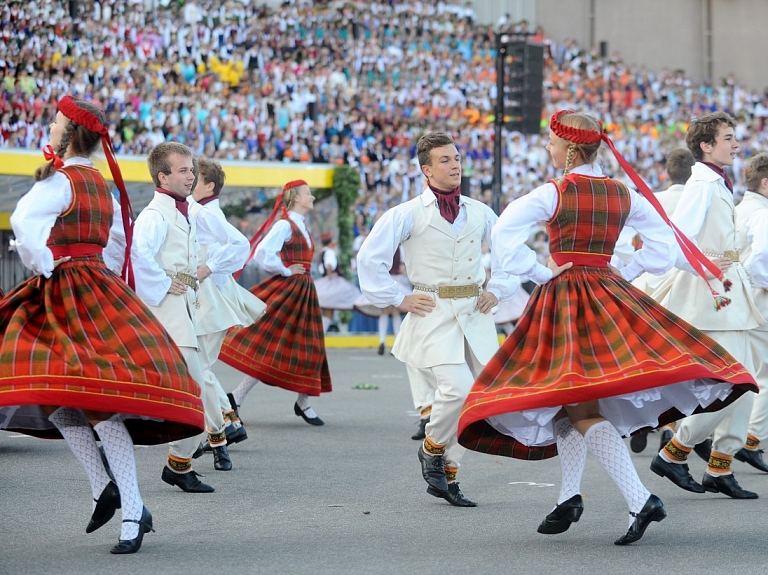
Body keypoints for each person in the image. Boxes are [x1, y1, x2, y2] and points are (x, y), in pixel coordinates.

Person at [456, 110, 757, 545]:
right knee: (568, 401)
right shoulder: (623, 193)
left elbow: (505, 232)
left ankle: (640, 498)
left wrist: (540, 271)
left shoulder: (554, 192)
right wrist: (625, 270)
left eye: (553, 142)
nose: (548, 148)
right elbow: (663, 245)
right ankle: (568, 497)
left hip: (564, 299)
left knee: (580, 405)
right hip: (609, 296)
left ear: (571, 149)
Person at [0, 96, 205, 554]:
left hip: (67, 287)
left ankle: (130, 505)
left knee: (93, 402)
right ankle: (106, 490)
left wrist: (48, 264)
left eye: (55, 122)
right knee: (63, 396)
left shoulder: (61, 180)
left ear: (69, 132)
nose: (50, 127)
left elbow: (24, 221)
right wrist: (102, 277)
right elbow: (117, 242)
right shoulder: (101, 185)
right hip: (96, 285)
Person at [357, 131, 519, 507]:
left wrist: (499, 289)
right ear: (426, 170)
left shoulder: (480, 211)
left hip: (475, 314)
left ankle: (449, 472)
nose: (455, 165)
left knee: (476, 399)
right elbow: (369, 259)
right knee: (458, 389)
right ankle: (431, 449)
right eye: (445, 160)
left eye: (457, 158)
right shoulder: (406, 213)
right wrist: (398, 297)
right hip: (432, 313)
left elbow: (510, 254)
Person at [649, 111, 764, 499]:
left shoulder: (715, 180)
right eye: (728, 138)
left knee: (746, 383)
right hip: (712, 293)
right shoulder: (701, 182)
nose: (736, 144)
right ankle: (675, 451)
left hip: (728, 288)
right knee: (733, 384)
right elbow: (676, 236)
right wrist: (703, 266)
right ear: (706, 145)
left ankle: (720, 464)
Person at [131, 141, 219, 491]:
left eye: (191, 168)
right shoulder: (154, 215)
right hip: (166, 315)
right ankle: (177, 465)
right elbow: (140, 258)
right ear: (162, 176)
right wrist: (167, 283)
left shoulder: (184, 210)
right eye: (183, 170)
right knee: (193, 390)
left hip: (182, 313)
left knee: (190, 391)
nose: (191, 174)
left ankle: (179, 463)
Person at [220, 180, 331, 426]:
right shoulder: (285, 224)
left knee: (310, 346)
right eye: (308, 193)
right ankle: (237, 397)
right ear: (295, 198)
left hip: (302, 290)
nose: (312, 197)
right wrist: (287, 270)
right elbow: (262, 253)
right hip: (291, 289)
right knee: (271, 346)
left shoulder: (300, 224)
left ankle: (302, 401)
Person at [627, 146, 695, 454]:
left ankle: (652, 419)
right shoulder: (697, 198)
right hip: (686, 285)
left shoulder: (650, 200)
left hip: (649, 284)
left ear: (666, 172)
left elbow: (632, 242)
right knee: (686, 358)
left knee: (653, 357)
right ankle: (677, 424)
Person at [185, 157, 253, 464]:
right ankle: (224, 426)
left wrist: (207, 268)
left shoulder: (205, 212)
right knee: (200, 369)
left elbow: (240, 245)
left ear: (209, 186)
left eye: (195, 179)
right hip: (205, 296)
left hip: (211, 299)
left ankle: (222, 429)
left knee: (199, 368)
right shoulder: (196, 208)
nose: (190, 183)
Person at [733, 152, 768, 472]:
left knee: (748, 372)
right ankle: (751, 438)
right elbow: (761, 257)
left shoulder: (738, 209)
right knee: (765, 376)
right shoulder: (761, 213)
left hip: (740, 298)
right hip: (759, 296)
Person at [314, 232, 361, 333]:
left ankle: (321, 332)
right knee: (329, 309)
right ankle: (320, 333)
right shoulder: (329, 252)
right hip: (331, 282)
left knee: (328, 310)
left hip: (325, 282)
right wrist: (330, 273)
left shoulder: (323, 252)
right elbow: (329, 264)